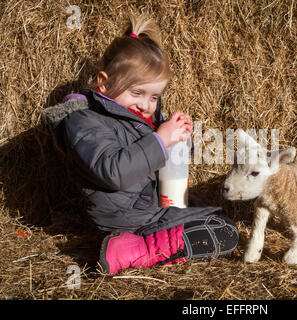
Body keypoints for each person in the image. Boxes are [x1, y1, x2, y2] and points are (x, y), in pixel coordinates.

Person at [42, 13, 238, 275]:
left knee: (221, 222)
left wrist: (181, 139)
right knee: (224, 232)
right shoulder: (84, 120)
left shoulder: (142, 116)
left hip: (150, 206)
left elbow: (165, 159)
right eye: (137, 93)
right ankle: (131, 251)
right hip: (125, 217)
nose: (147, 105)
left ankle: (138, 244)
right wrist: (160, 139)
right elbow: (112, 172)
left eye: (155, 96)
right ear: (104, 82)